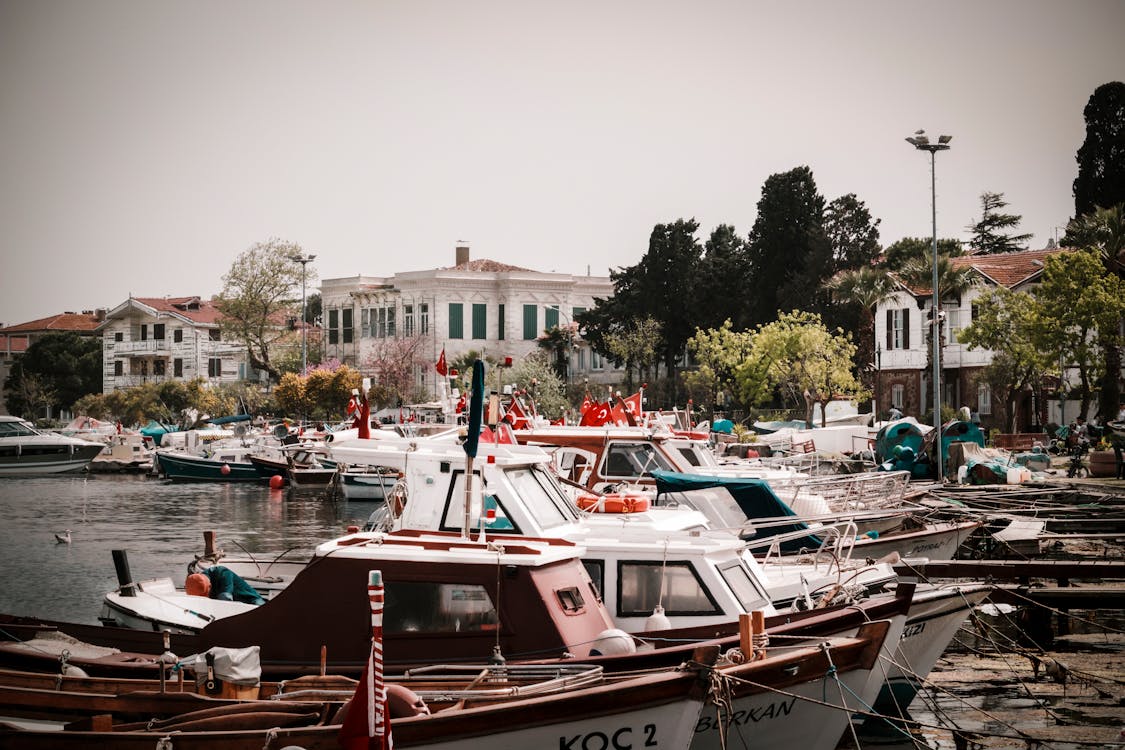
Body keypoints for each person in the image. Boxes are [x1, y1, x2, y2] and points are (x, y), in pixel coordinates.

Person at [186, 565, 266, 605]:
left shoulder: (223, 573)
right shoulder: (197, 581)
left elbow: (226, 602)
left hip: (251, 601)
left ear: (210, 586)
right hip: (235, 604)